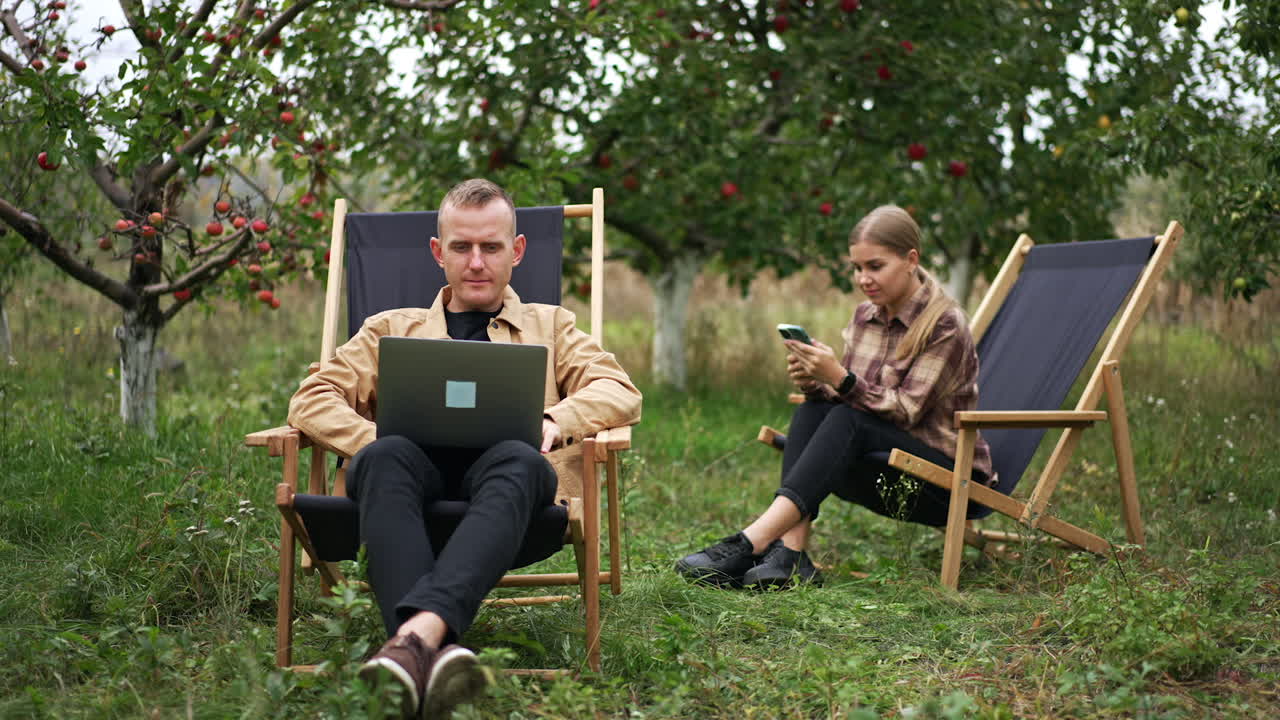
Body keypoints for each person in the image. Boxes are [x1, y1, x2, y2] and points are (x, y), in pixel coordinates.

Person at [288, 179, 642, 718]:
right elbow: (312, 396)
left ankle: (407, 648)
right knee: (382, 456)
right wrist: (372, 436)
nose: (476, 262)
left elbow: (620, 390)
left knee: (523, 460)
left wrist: (555, 419)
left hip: (509, 501)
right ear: (439, 253)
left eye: (491, 247)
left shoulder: (552, 327)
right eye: (461, 247)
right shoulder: (390, 330)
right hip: (402, 492)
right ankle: (437, 643)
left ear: (516, 251)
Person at [675, 204, 995, 589]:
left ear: (911, 260)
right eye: (857, 268)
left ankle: (751, 542)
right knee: (817, 408)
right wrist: (815, 380)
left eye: (875, 266)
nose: (863, 278)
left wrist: (839, 378)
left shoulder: (943, 323)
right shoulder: (866, 316)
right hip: (885, 465)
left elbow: (905, 411)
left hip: (944, 483)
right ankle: (791, 555)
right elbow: (850, 396)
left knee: (847, 418)